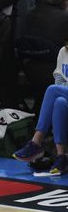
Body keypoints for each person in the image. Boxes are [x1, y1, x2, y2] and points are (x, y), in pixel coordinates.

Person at [13, 41, 68, 175]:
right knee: (59, 102)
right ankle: (62, 157)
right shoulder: (64, 51)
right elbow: (59, 79)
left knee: (52, 90)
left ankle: (36, 142)